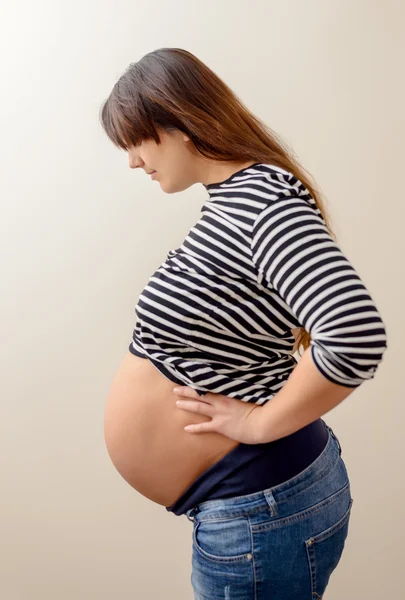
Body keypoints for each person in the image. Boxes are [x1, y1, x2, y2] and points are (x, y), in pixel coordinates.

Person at [100, 47, 388, 599]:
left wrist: (258, 425)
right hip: (252, 510)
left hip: (262, 511)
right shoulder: (234, 199)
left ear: (176, 123)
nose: (133, 162)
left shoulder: (263, 203)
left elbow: (354, 332)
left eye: (135, 141)